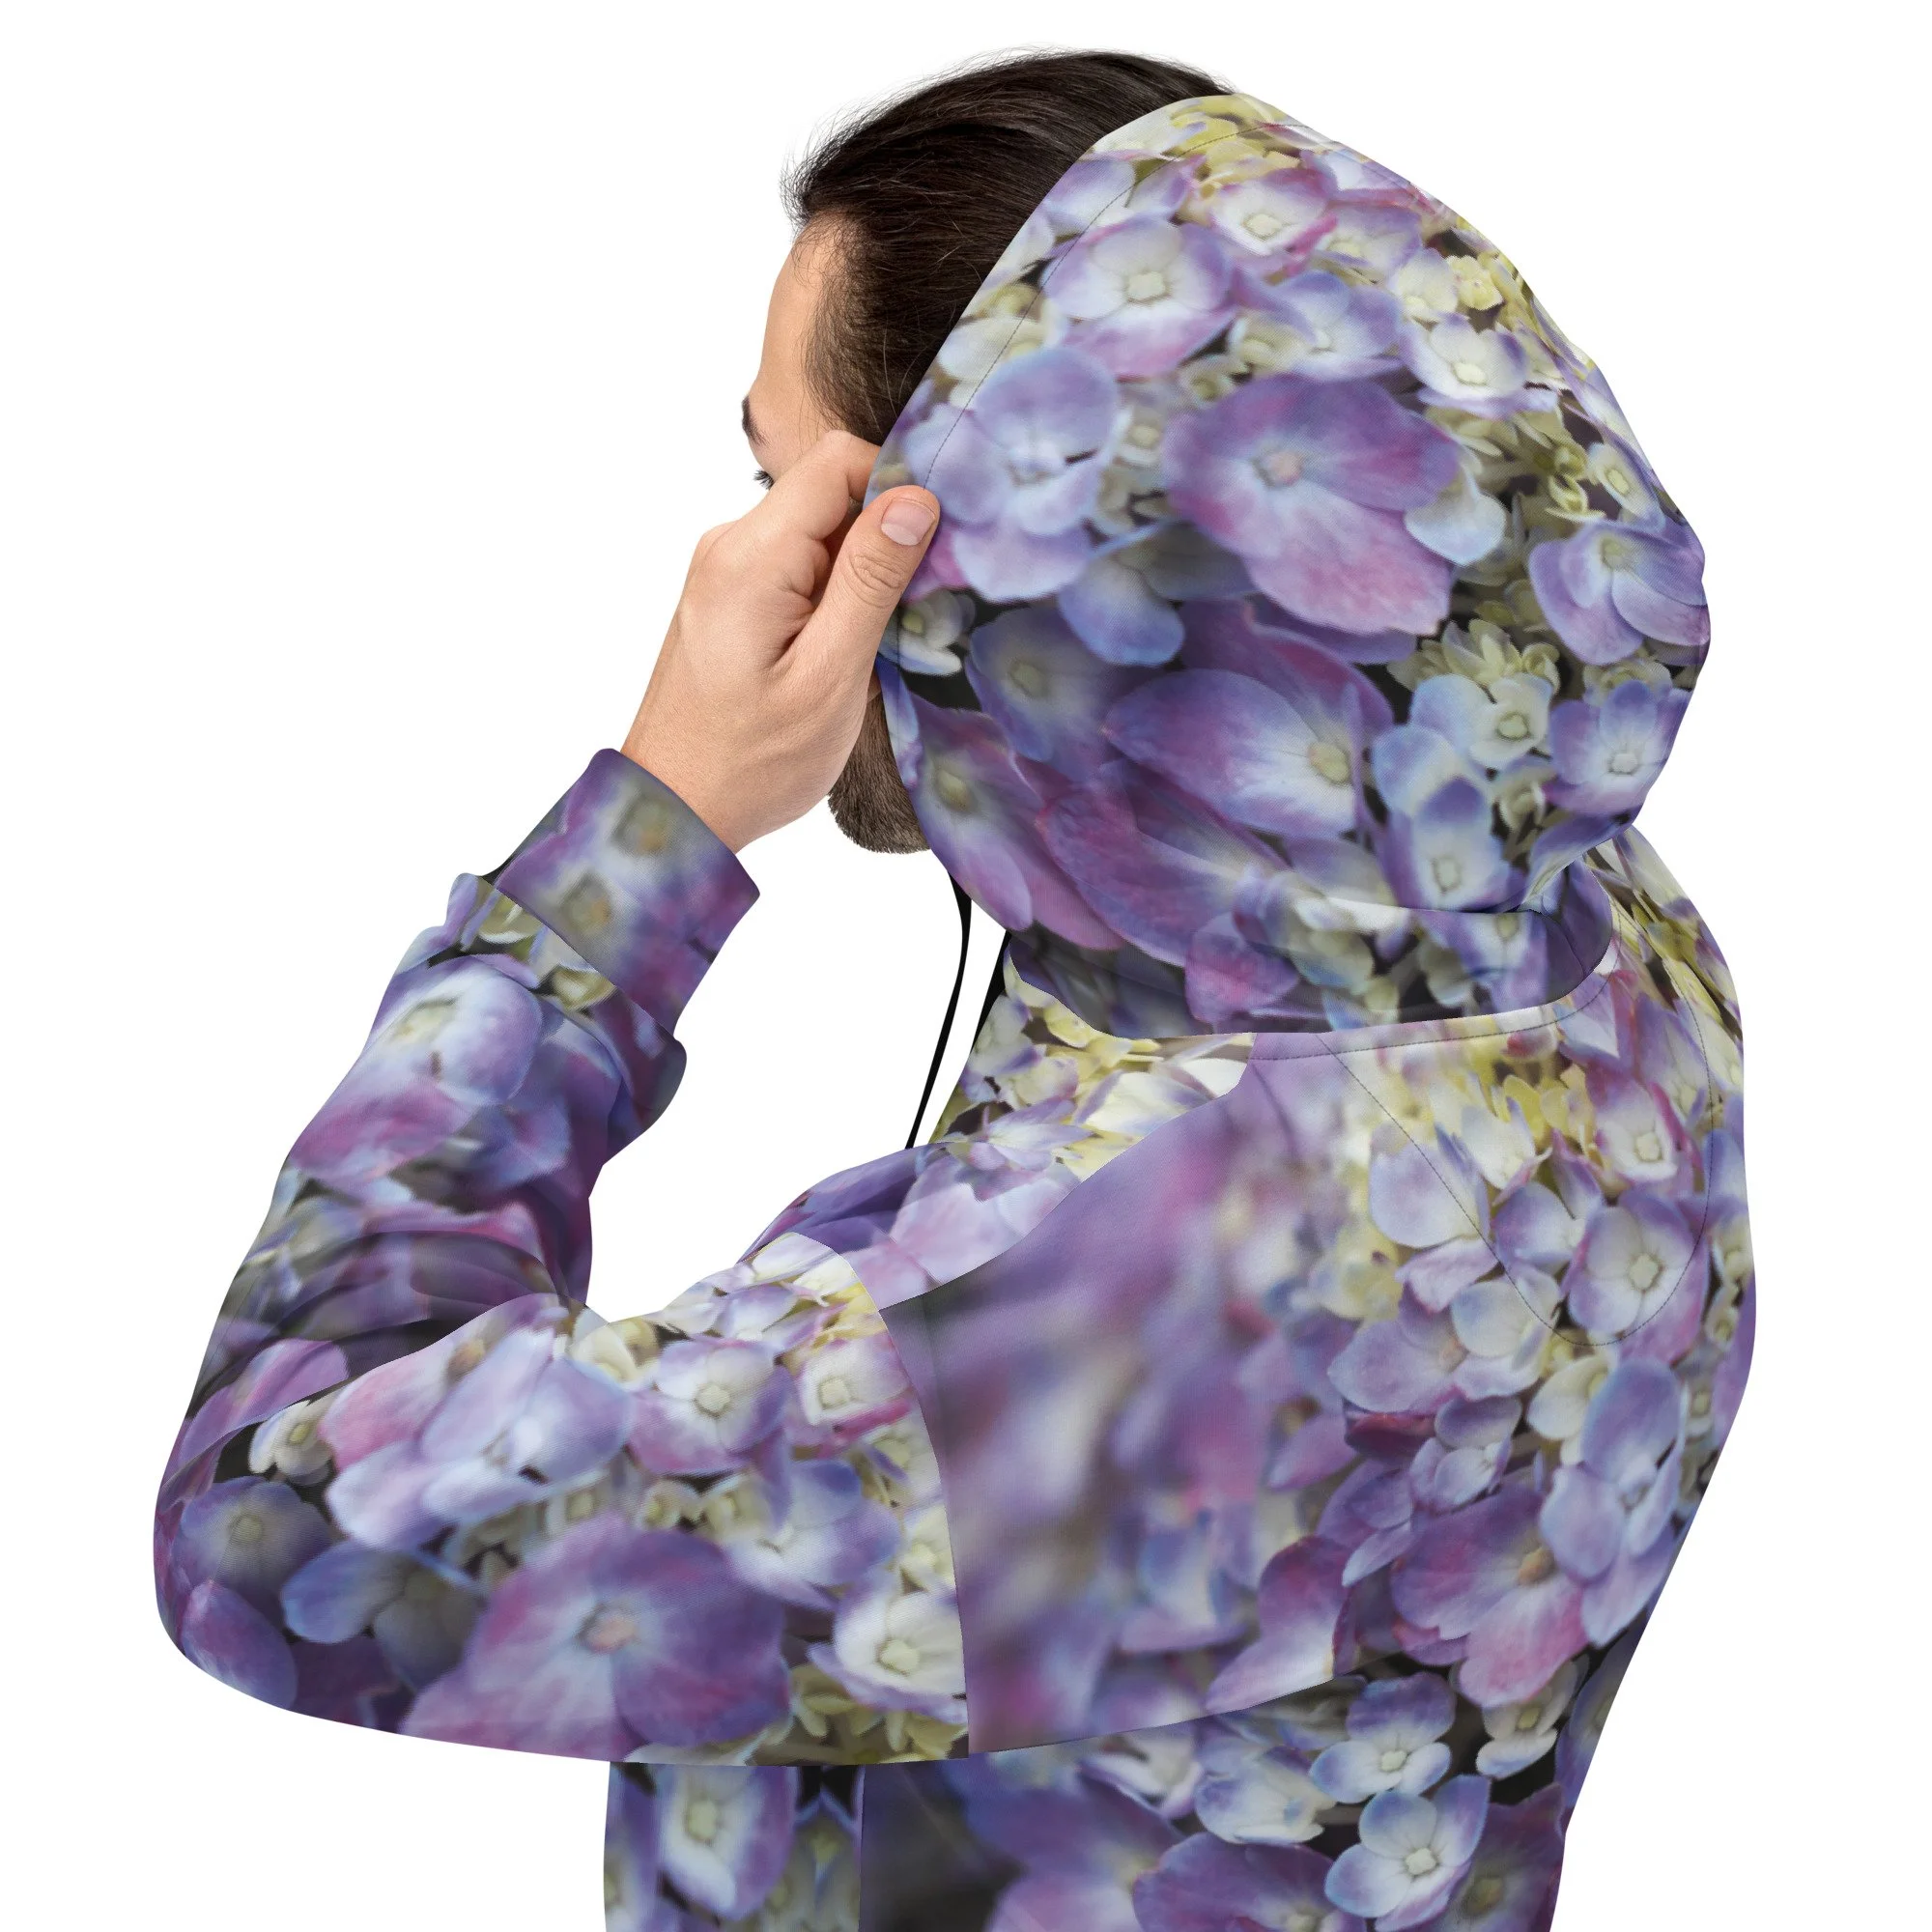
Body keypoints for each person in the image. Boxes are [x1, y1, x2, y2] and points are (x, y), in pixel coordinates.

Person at [155, 51, 1753, 1932]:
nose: (751, 563)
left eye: (796, 492)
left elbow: (265, 1523)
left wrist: (655, 823)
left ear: (999, 553)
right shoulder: (1601, 950)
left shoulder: (1142, 1319)